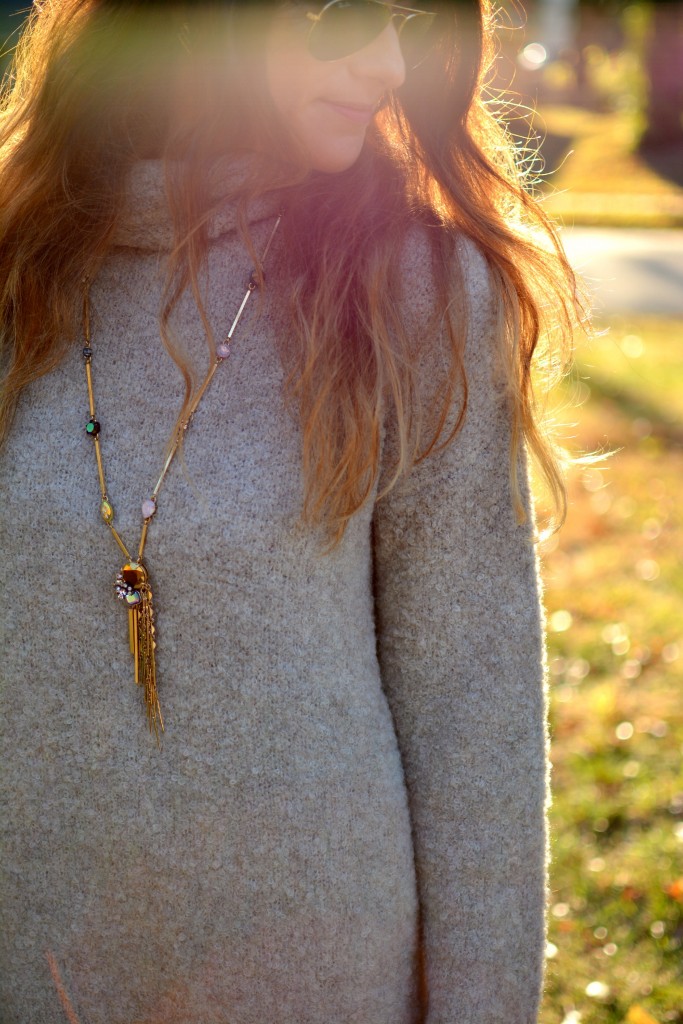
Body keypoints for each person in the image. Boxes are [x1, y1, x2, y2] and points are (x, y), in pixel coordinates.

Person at [0, 2, 582, 1022]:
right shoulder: (19, 262)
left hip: (320, 985)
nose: (387, 63)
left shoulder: (420, 290)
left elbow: (470, 710)